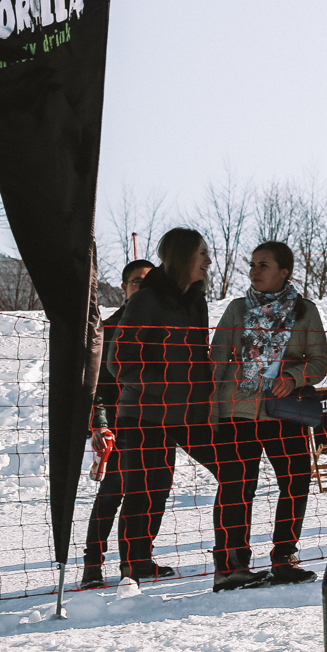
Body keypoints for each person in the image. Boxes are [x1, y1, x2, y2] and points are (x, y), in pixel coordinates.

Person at [208, 241, 327, 585]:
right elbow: (216, 360)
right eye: (252, 264)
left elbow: (319, 361)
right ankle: (230, 566)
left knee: (296, 479)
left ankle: (284, 558)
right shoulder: (236, 309)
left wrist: (293, 378)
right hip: (237, 411)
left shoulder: (305, 312)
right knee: (236, 485)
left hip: (285, 411)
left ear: (284, 271)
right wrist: (211, 410)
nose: (254, 271)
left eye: (263, 265)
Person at [109, 228, 226, 585]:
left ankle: (231, 555)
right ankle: (135, 564)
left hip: (190, 411)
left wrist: (208, 394)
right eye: (202, 254)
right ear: (183, 256)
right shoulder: (146, 300)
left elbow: (197, 357)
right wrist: (163, 385)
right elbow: (119, 360)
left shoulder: (196, 301)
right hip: (144, 413)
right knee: (149, 488)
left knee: (233, 468)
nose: (209, 261)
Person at [78, 259, 154, 590]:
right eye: (136, 281)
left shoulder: (159, 328)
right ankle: (92, 565)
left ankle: (137, 562)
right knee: (112, 495)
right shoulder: (107, 330)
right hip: (119, 426)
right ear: (124, 287)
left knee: (147, 495)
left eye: (148, 282)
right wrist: (100, 424)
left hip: (152, 424)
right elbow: (95, 387)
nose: (142, 287)